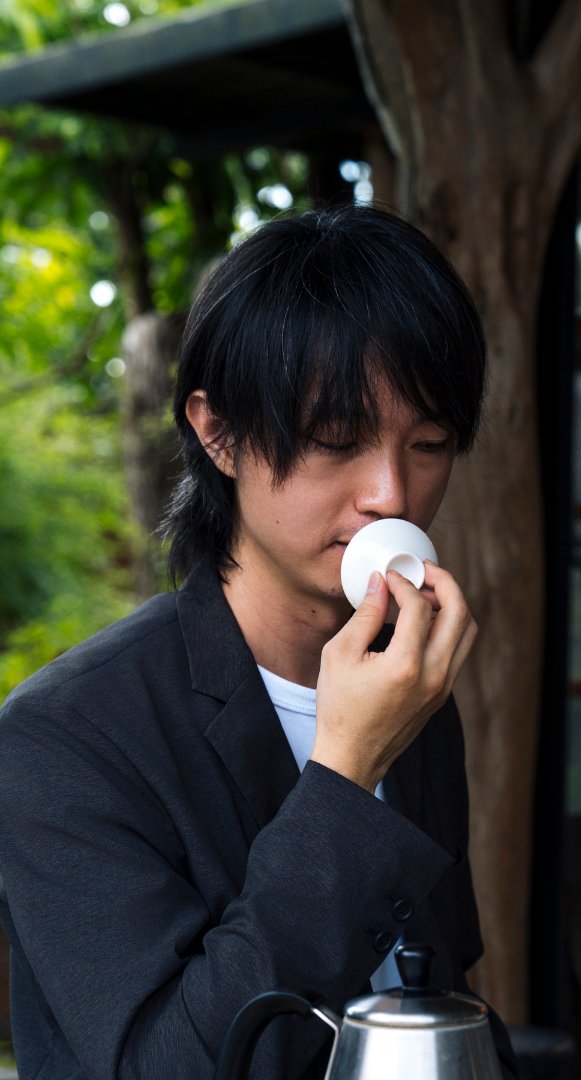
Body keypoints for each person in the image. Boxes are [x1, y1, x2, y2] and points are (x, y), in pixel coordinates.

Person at [0, 205, 517, 1080]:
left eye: (428, 443)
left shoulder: (415, 685)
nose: (390, 492)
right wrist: (346, 775)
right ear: (218, 433)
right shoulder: (66, 737)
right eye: (336, 440)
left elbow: (436, 987)